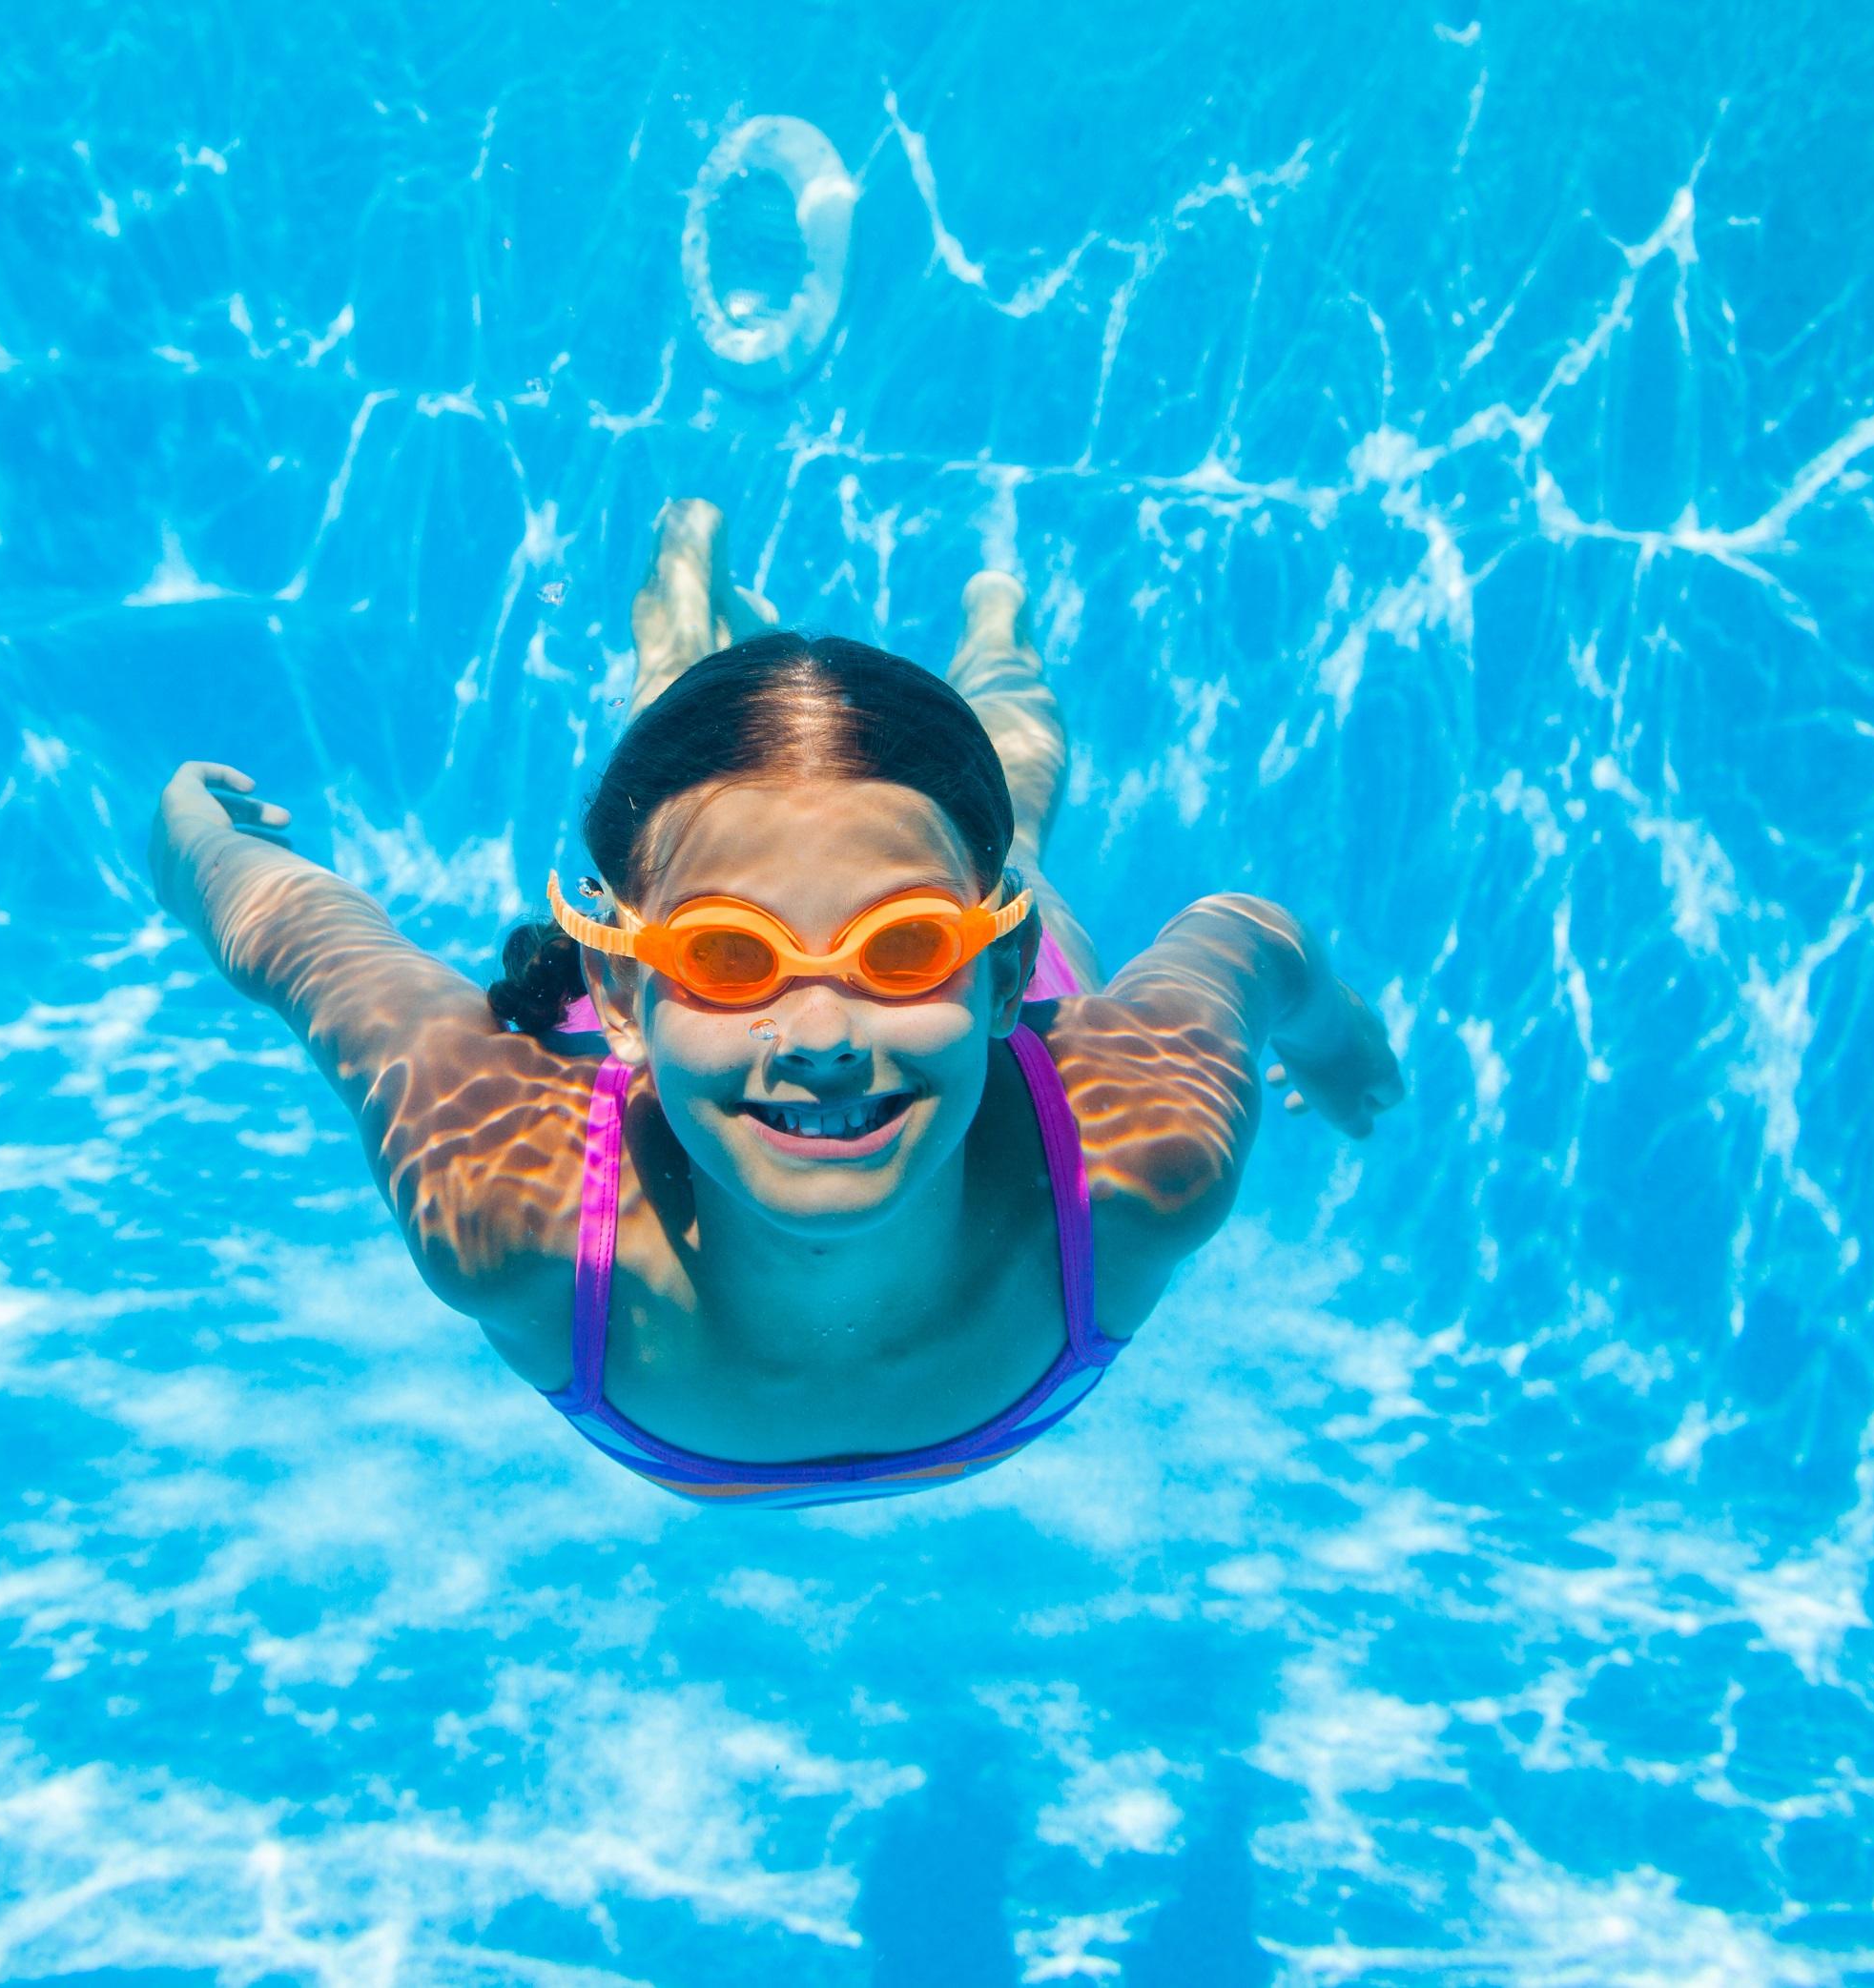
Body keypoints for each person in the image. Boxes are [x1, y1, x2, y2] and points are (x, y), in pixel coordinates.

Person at [148, 500, 1403, 1507]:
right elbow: (305, 947)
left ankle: (993, 615)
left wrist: (1336, 1035)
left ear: (1005, 973)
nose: (822, 1041)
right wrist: (188, 842)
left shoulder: (1134, 1157)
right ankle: (680, 656)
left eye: (900, 948)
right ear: (622, 996)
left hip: (919, 1000)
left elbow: (1243, 939)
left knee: (1006, 807)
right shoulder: (512, 1205)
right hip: (765, 1006)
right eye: (733, 960)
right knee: (703, 824)